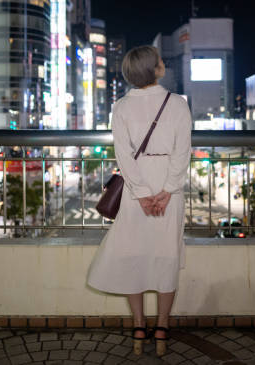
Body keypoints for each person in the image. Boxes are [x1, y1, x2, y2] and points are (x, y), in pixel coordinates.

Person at [87, 45, 191, 357]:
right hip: (167, 189)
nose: (163, 63)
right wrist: (167, 189)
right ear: (156, 69)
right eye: (160, 60)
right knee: (166, 255)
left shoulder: (120, 107)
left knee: (132, 253)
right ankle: (162, 326)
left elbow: (123, 156)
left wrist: (143, 194)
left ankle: (138, 324)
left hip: (136, 189)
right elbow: (183, 151)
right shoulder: (177, 104)